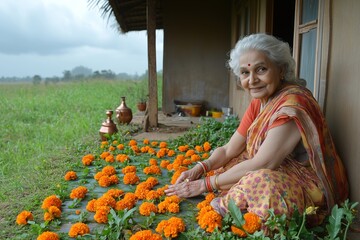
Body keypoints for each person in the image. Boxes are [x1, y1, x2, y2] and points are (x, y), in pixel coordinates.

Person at [165, 33, 349, 222]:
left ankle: (245, 208)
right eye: (245, 73)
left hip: (310, 185)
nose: (252, 80)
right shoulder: (260, 101)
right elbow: (230, 149)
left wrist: (203, 185)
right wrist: (201, 168)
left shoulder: (292, 104)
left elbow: (264, 163)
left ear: (281, 70)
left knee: (260, 181)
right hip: (277, 167)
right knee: (233, 163)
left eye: (261, 70)